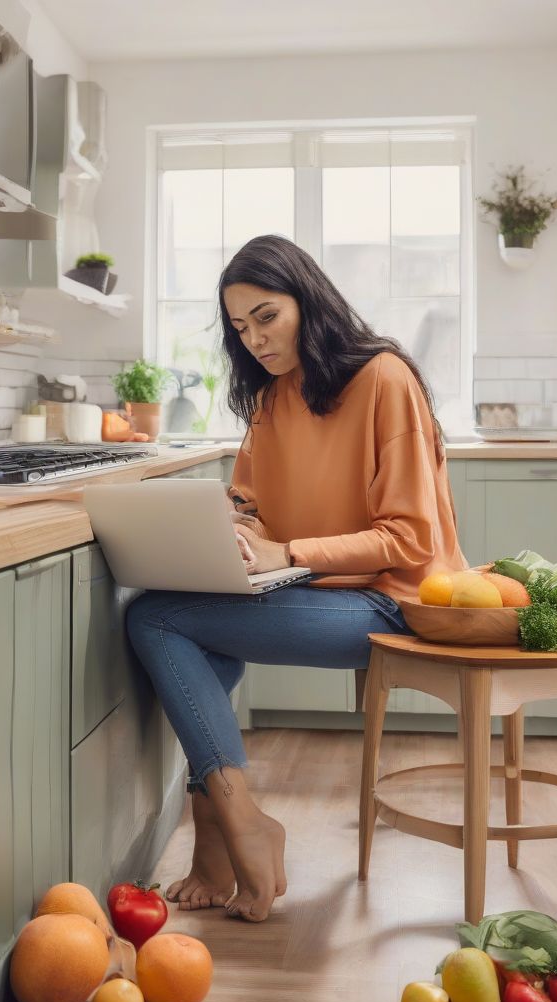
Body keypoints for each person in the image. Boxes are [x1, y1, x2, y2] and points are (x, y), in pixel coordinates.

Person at [126, 234, 466, 923]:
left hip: (392, 602)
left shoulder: (383, 378)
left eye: (266, 316)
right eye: (240, 326)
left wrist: (288, 552)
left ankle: (235, 824)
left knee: (156, 619)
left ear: (307, 301)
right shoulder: (270, 398)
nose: (253, 338)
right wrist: (224, 530)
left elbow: (410, 539)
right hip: (310, 589)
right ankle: (224, 834)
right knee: (190, 630)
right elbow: (249, 505)